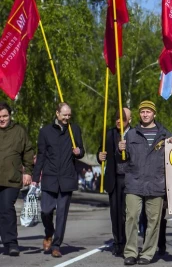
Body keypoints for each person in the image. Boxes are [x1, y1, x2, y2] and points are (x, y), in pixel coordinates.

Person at [118, 100, 172, 265]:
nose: (145, 114)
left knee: (153, 221)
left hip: (156, 182)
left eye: (148, 111)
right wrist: (120, 149)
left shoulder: (165, 135)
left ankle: (147, 253)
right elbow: (123, 161)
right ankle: (131, 252)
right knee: (131, 217)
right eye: (142, 112)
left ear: (154, 114)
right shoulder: (131, 134)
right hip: (134, 182)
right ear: (139, 114)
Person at [32, 102, 85, 258]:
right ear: (57, 113)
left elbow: (81, 151)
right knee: (46, 210)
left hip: (67, 178)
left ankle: (56, 245)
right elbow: (41, 156)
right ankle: (49, 232)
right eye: (64, 115)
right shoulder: (45, 132)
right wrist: (36, 178)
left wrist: (79, 151)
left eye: (69, 115)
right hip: (50, 178)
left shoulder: (74, 129)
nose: (67, 118)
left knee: (62, 214)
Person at [0, 102, 34, 256]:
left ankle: (11, 243)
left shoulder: (19, 131)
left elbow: (28, 151)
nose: (2, 119)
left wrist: (27, 172)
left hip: (11, 178)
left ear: (10, 115)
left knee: (7, 208)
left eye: (5, 116)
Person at [98, 108, 131, 257]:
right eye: (117, 118)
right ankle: (118, 243)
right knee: (115, 213)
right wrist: (100, 156)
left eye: (123, 118)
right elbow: (101, 151)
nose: (119, 121)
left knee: (127, 213)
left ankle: (128, 242)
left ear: (129, 120)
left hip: (130, 179)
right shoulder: (109, 134)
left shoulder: (134, 134)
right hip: (114, 178)